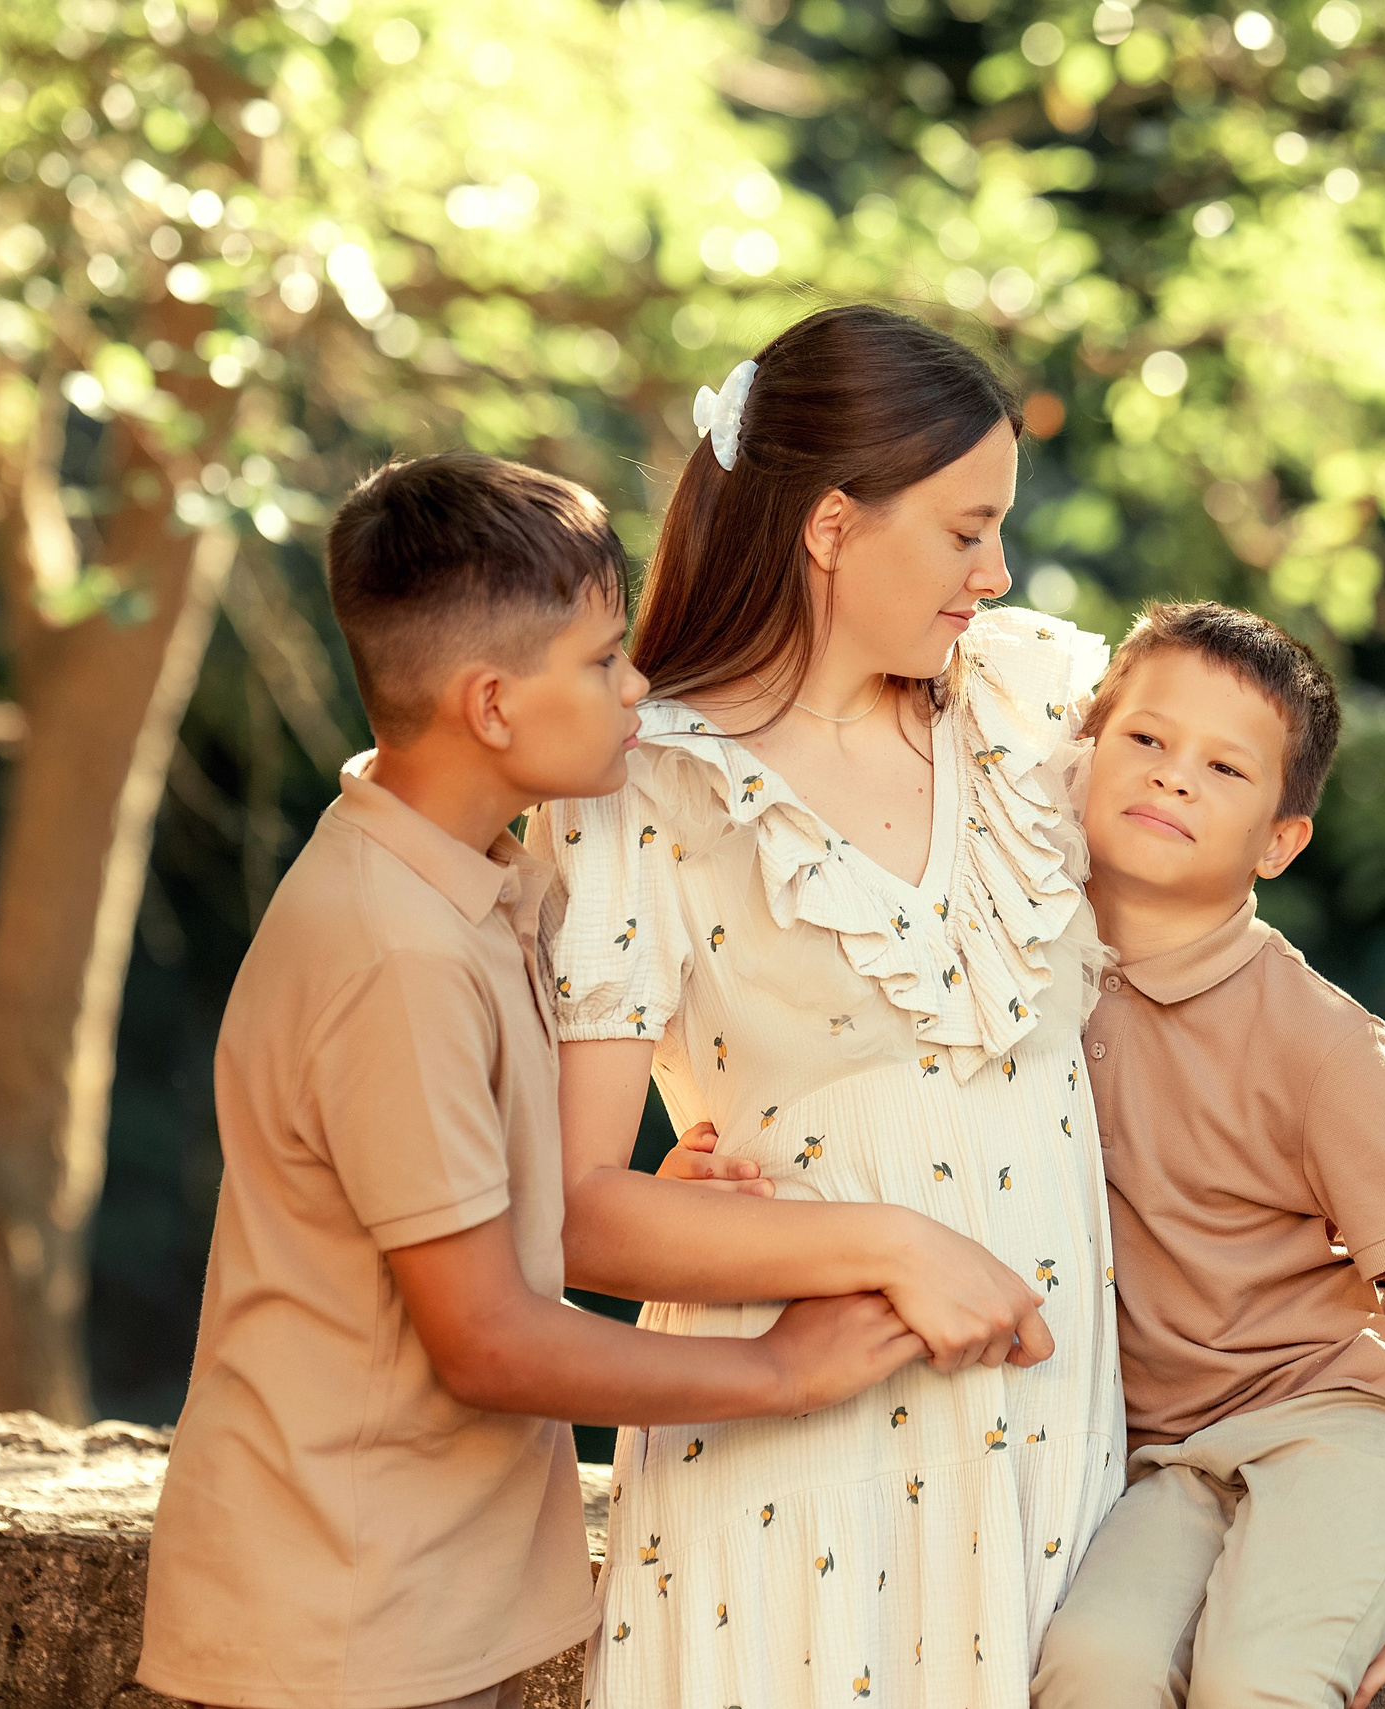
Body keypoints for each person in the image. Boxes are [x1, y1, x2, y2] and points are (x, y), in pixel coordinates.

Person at [136, 454, 925, 1709]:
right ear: (492, 703)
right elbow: (487, 1341)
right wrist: (782, 1372)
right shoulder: (391, 947)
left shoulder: (468, 883)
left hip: (420, 1606)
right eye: (603, 659)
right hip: (348, 1634)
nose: (637, 685)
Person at [530, 304, 1125, 1709]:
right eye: (965, 529)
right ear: (833, 525)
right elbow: (569, 1204)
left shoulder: (1039, 708)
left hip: (1051, 1442)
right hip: (793, 1463)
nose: (995, 572)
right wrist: (888, 1242)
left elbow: (1216, 984)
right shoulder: (644, 788)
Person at [1027, 602, 1385, 1709]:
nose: (1172, 778)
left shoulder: (1320, 1041)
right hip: (1171, 1455)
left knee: (1259, 1679)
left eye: (1223, 765)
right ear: (1083, 749)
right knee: (1087, 1669)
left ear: (1278, 840)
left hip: (1337, 1424)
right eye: (1147, 740)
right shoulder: (1015, 966)